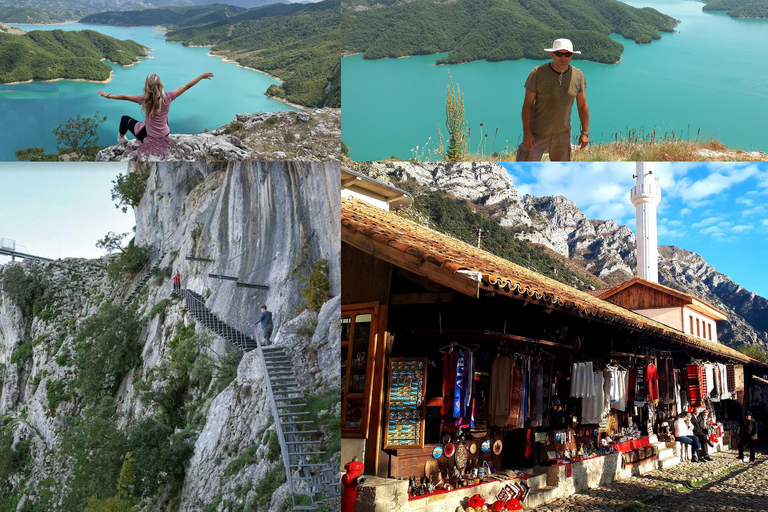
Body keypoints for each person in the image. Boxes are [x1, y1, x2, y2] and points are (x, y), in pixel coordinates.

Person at [97, 73, 214, 155]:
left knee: (124, 119)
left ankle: (121, 139)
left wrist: (108, 96)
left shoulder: (144, 99)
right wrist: (201, 76)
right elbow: (187, 86)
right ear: (160, 85)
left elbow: (125, 97)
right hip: (165, 134)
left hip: (149, 139)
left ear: (147, 87)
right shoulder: (169, 96)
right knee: (164, 115)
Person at [517, 38, 589, 162]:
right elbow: (528, 105)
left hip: (563, 133)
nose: (563, 58)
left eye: (567, 54)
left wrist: (585, 132)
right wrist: (527, 133)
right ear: (552, 54)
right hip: (537, 133)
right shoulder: (537, 73)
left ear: (572, 55)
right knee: (526, 163)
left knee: (562, 168)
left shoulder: (578, 76)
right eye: (559, 54)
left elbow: (582, 106)